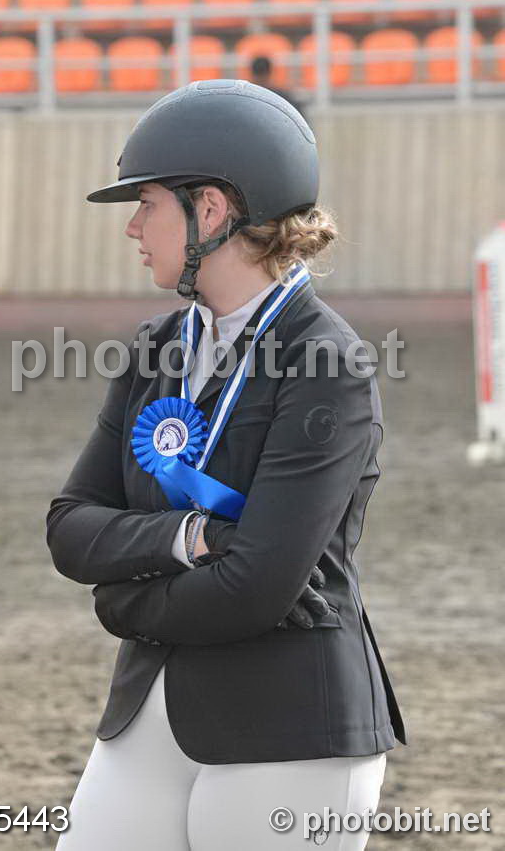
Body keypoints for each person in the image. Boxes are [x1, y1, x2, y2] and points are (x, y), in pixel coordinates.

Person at [46, 79, 407, 850]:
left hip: (290, 725)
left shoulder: (327, 364)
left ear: (209, 210)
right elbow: (69, 526)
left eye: (147, 204)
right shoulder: (154, 347)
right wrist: (190, 538)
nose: (133, 226)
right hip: (146, 711)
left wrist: (119, 603)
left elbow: (256, 588)